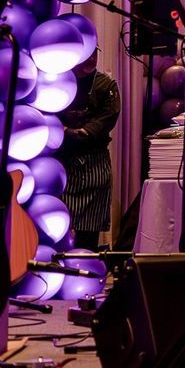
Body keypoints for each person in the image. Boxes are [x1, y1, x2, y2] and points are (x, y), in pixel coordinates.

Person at [58, 51, 121, 250]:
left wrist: (68, 131)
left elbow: (97, 126)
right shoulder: (55, 81)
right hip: (61, 165)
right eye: (86, 54)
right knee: (59, 227)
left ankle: (87, 273)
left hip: (95, 165)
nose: (91, 59)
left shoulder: (106, 85)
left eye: (95, 53)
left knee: (88, 236)